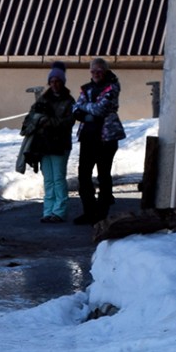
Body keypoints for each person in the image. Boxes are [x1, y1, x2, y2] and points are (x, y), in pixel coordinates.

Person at [72, 57, 125, 226]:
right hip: (87, 137)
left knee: (103, 175)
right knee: (84, 175)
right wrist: (85, 110)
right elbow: (75, 108)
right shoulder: (86, 88)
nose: (95, 74)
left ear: (105, 71)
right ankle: (89, 211)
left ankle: (102, 213)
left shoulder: (112, 86)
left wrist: (85, 110)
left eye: (99, 71)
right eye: (93, 71)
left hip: (106, 138)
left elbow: (100, 109)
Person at [21, 62, 76, 223]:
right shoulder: (43, 100)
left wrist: (46, 121)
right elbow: (30, 118)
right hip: (44, 145)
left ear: (62, 81)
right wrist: (39, 121)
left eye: (57, 81)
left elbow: (68, 122)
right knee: (48, 179)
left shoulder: (69, 101)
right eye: (52, 81)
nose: (54, 84)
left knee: (58, 178)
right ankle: (48, 210)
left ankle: (60, 211)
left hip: (60, 144)